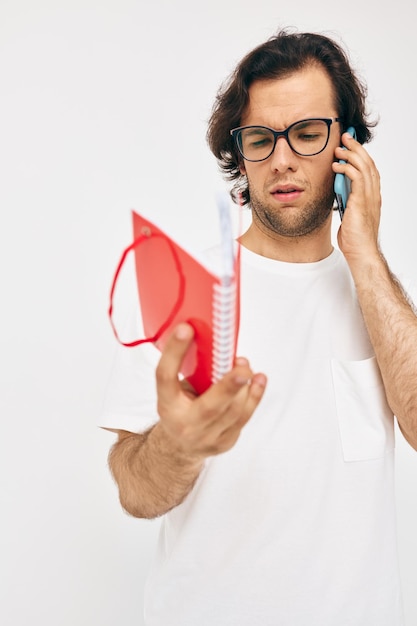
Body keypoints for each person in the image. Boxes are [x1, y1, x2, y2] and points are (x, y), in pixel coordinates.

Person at [100, 29, 417, 626]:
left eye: (306, 132)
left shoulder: (380, 300)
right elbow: (135, 494)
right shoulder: (181, 292)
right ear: (239, 152)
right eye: (260, 139)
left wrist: (366, 256)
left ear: (348, 145)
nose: (283, 159)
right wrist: (181, 443)